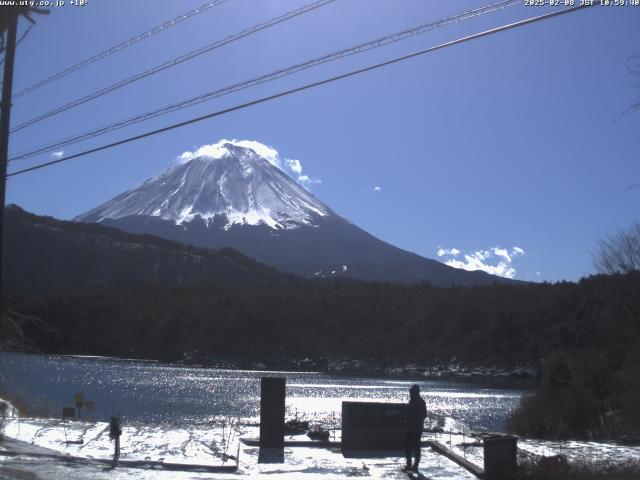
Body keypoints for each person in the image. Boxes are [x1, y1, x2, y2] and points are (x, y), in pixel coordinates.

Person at [403, 384, 426, 472]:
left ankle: (415, 465)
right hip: (410, 427)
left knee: (416, 446)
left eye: (411, 392)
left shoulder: (421, 402)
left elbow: (424, 415)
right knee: (408, 446)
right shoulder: (412, 401)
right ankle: (409, 464)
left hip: (416, 428)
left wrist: (414, 418)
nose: (410, 393)